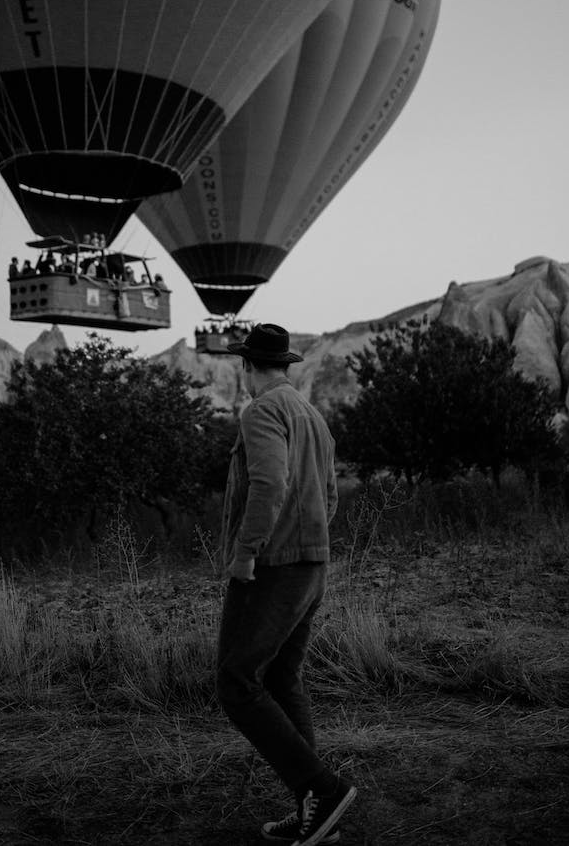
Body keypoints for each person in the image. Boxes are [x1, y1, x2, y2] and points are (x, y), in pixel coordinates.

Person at [216, 324, 356, 846]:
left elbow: (270, 483)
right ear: (286, 364)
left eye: (245, 369)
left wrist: (246, 554)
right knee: (279, 679)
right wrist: (312, 543)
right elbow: (330, 494)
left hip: (274, 566)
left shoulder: (262, 410)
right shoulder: (311, 415)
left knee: (236, 681)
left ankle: (322, 786)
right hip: (313, 564)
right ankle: (316, 808)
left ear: (247, 367)